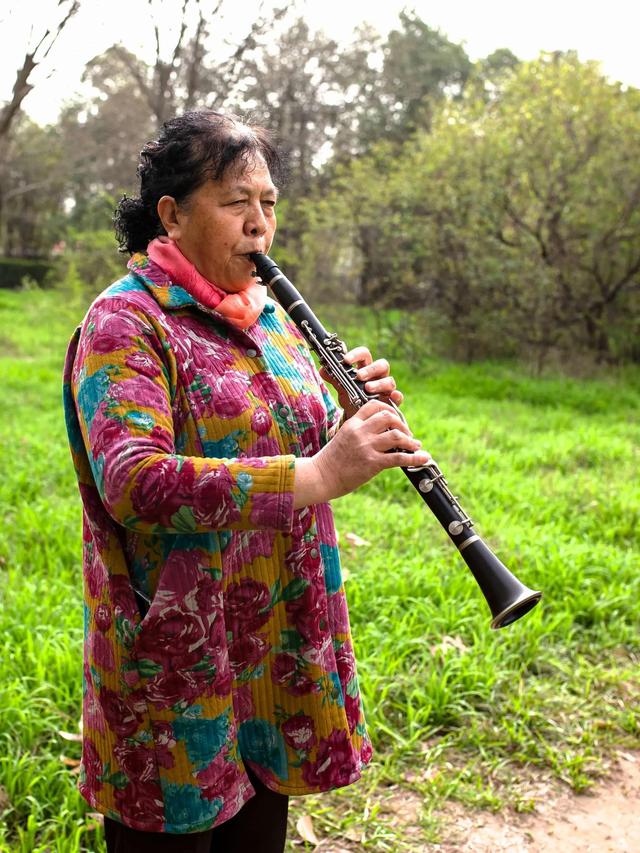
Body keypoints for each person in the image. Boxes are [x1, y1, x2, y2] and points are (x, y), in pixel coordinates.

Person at [63, 109, 430, 852]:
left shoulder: (274, 320)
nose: (259, 224)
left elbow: (294, 442)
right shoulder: (126, 322)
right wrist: (319, 470)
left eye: (268, 204)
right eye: (237, 203)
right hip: (178, 662)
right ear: (173, 213)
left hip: (279, 649)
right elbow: (135, 482)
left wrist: (349, 424)